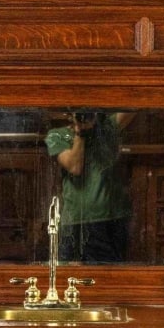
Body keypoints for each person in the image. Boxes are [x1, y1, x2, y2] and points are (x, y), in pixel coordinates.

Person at [44, 111, 134, 262]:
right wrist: (81, 132)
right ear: (70, 113)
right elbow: (74, 167)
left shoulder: (106, 128)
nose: (83, 115)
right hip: (78, 220)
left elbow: (135, 106)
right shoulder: (57, 135)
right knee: (73, 278)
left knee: (110, 278)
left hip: (113, 218)